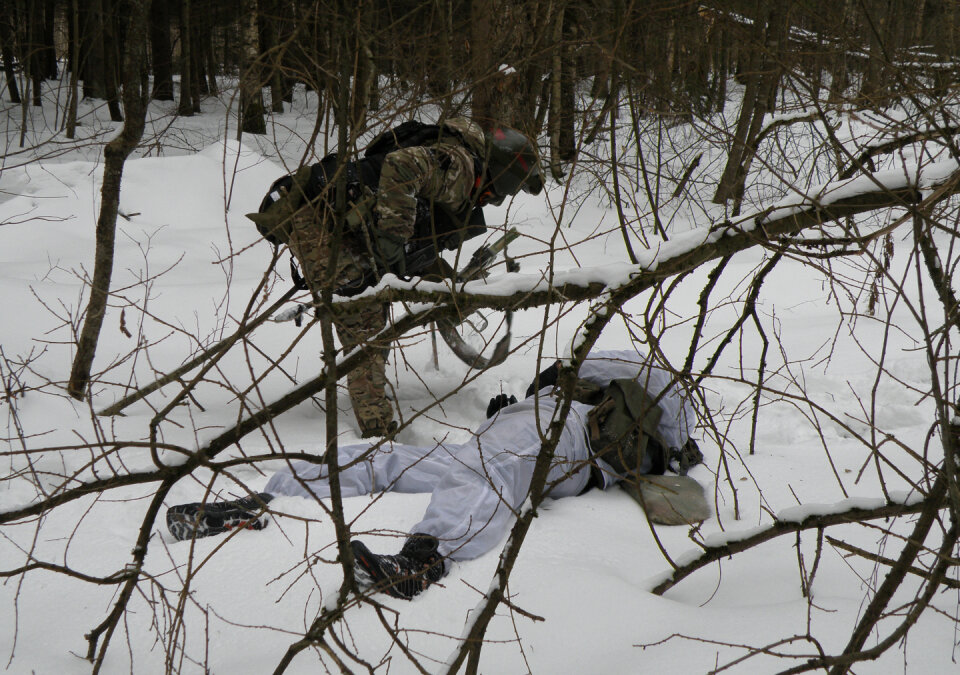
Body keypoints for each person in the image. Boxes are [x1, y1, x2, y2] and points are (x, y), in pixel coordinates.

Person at [166, 349, 701, 600]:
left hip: (564, 445)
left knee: (492, 474)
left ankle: (425, 558)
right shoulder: (597, 379)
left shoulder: (642, 388)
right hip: (510, 435)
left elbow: (665, 446)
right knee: (389, 456)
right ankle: (265, 500)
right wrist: (518, 406)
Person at [248, 118, 544, 438]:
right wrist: (394, 238)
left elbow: (416, 243)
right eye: (509, 188)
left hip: (322, 213)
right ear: (503, 174)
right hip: (315, 216)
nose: (498, 199)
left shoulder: (453, 158)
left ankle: (373, 412)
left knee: (375, 306)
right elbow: (400, 167)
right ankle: (377, 435)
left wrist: (451, 283)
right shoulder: (462, 165)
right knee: (366, 322)